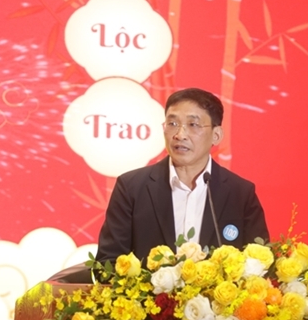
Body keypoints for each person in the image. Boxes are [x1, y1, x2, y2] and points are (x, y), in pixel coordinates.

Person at [95, 88, 269, 262]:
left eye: (193, 125)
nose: (180, 135)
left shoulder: (240, 194)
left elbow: (259, 265)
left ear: (216, 135)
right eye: (172, 124)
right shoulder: (131, 188)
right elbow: (108, 261)